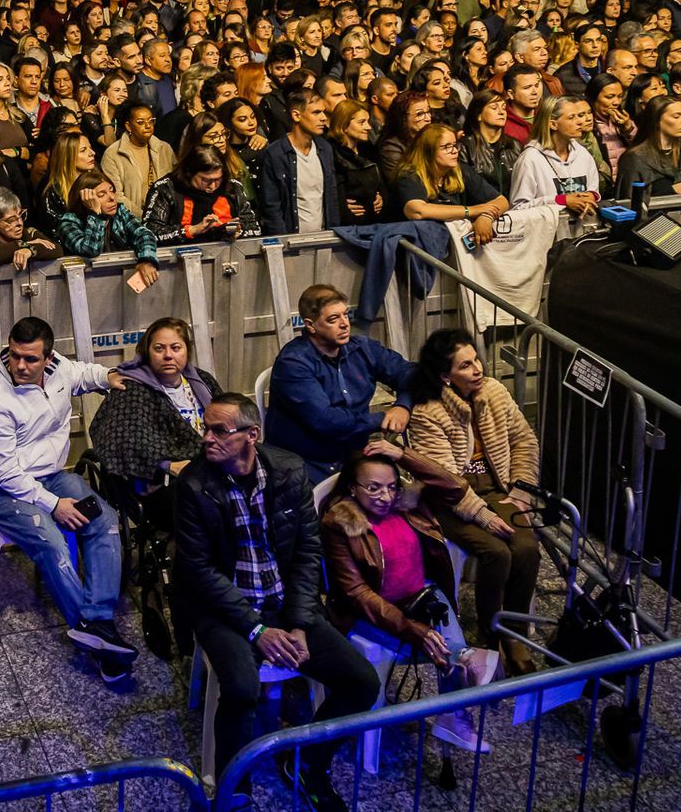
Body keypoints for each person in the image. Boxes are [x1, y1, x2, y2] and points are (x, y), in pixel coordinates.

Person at [171, 392, 380, 793]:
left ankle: (305, 763)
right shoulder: (194, 484)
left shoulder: (287, 471)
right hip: (225, 610)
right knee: (239, 689)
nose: (207, 439)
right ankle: (235, 791)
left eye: (220, 431)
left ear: (252, 435)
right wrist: (256, 630)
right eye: (206, 428)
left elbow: (306, 551)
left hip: (282, 601)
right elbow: (198, 571)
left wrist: (300, 622)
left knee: (362, 682)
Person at [0, 317, 137, 678]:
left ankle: (97, 622)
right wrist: (53, 504)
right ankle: (97, 639)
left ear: (48, 357)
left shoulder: (58, 369)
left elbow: (81, 374)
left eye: (30, 359)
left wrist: (107, 377)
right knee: (52, 541)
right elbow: (2, 474)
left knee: (104, 521)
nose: (20, 366)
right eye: (14, 356)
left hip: (50, 475)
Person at [319, 441, 499, 752]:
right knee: (452, 649)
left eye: (391, 486)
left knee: (439, 610)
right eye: (373, 488)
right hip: (370, 614)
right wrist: (411, 628)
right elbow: (356, 593)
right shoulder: (340, 523)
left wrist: (404, 456)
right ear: (352, 488)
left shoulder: (409, 505)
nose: (385, 496)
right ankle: (458, 700)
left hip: (421, 600)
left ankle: (455, 706)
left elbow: (455, 487)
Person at [402, 329, 542, 677]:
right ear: (445, 376)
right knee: (496, 552)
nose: (478, 369)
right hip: (448, 499)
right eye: (466, 365)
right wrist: (483, 515)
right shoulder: (427, 412)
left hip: (497, 489)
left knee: (527, 549)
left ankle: (516, 635)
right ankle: (489, 636)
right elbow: (445, 480)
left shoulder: (494, 392)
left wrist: (521, 492)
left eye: (476, 360)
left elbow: (524, 440)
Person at [265, 283, 414, 482]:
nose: (344, 324)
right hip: (305, 463)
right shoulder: (293, 363)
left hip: (352, 454)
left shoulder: (361, 348)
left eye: (346, 315)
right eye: (333, 319)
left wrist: (402, 406)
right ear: (310, 325)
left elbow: (411, 373)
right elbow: (327, 421)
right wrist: (382, 418)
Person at [87, 317, 220, 484]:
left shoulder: (202, 381)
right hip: (161, 480)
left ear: (187, 351)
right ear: (147, 353)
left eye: (176, 348)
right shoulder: (132, 391)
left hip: (211, 464)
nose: (168, 355)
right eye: (159, 348)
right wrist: (165, 465)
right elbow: (122, 444)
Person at [391, 125, 510, 243]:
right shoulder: (409, 175)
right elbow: (417, 211)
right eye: (446, 147)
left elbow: (501, 201)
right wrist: (471, 211)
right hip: (415, 246)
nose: (454, 151)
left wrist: (486, 217)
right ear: (428, 151)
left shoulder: (460, 170)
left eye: (454, 145)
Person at [255, 86, 342, 236]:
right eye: (316, 112)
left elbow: (331, 197)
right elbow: (271, 206)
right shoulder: (275, 154)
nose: (323, 117)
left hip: (325, 237)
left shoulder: (325, 148)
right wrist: (283, 243)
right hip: (291, 240)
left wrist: (333, 234)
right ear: (296, 115)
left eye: (323, 111)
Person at [56, 168, 160, 289]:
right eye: (102, 194)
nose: (111, 197)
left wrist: (146, 259)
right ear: (85, 201)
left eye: (112, 191)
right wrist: (96, 215)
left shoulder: (120, 212)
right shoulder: (68, 223)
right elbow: (90, 250)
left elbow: (144, 234)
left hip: (118, 285)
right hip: (85, 287)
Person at [142, 146, 260, 245]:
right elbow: (148, 234)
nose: (213, 186)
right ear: (189, 173)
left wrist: (239, 231)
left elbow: (255, 229)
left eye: (218, 179)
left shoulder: (233, 188)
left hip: (229, 258)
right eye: (206, 180)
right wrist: (192, 230)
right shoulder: (166, 188)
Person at [508, 95, 601, 217]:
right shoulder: (530, 159)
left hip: (582, 231)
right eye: (571, 117)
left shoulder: (583, 153)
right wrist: (561, 201)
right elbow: (518, 209)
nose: (580, 122)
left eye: (579, 116)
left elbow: (593, 189)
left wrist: (591, 195)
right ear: (553, 124)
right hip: (547, 233)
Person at [615, 96, 681, 197]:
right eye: (676, 116)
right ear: (657, 120)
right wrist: (671, 189)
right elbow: (629, 197)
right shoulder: (635, 157)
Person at [99, 103, 175, 220]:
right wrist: (144, 218)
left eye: (151, 121)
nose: (148, 126)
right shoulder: (113, 154)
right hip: (132, 223)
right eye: (140, 122)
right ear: (128, 126)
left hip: (166, 218)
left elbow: (176, 183)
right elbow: (116, 196)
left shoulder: (164, 148)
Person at [0, 185, 63, 270]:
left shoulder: (28, 233)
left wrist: (30, 250)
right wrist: (23, 245)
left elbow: (56, 249)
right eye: (11, 220)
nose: (20, 223)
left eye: (21, 215)